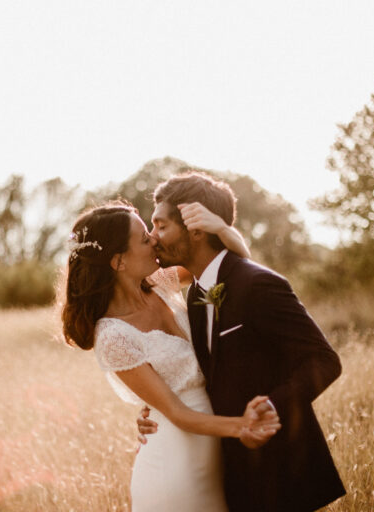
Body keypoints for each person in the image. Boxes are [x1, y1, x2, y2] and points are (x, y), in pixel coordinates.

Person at [137, 171, 346, 511]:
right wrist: (156, 412)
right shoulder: (194, 295)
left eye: (161, 226)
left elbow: (324, 362)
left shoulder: (258, 284)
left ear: (197, 228)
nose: (153, 237)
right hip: (229, 472)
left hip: (280, 471)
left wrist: (270, 409)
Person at [61, 201, 280, 511]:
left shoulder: (164, 283)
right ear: (118, 261)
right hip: (173, 465)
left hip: (216, 453)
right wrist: (241, 426)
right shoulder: (112, 336)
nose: (154, 239)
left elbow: (234, 265)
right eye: (143, 238)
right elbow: (175, 413)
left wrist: (221, 228)